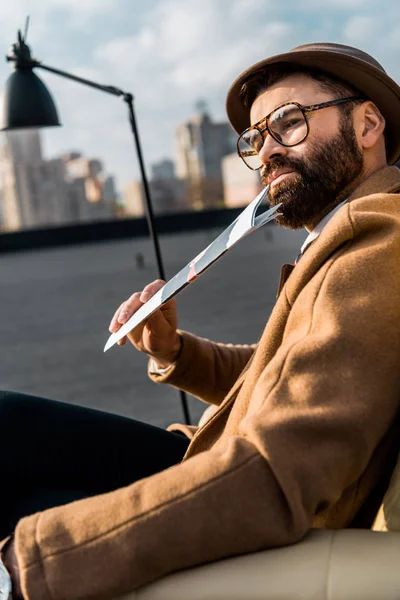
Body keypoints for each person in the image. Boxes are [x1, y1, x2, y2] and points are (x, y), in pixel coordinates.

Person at [1, 41, 400, 599]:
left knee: (15, 460)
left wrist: (43, 560)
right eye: (257, 140)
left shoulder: (378, 242)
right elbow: (284, 374)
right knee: (13, 433)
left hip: (233, 485)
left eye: (289, 123)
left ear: (367, 124)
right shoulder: (342, 241)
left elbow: (280, 470)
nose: (266, 154)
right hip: (213, 455)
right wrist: (175, 352)